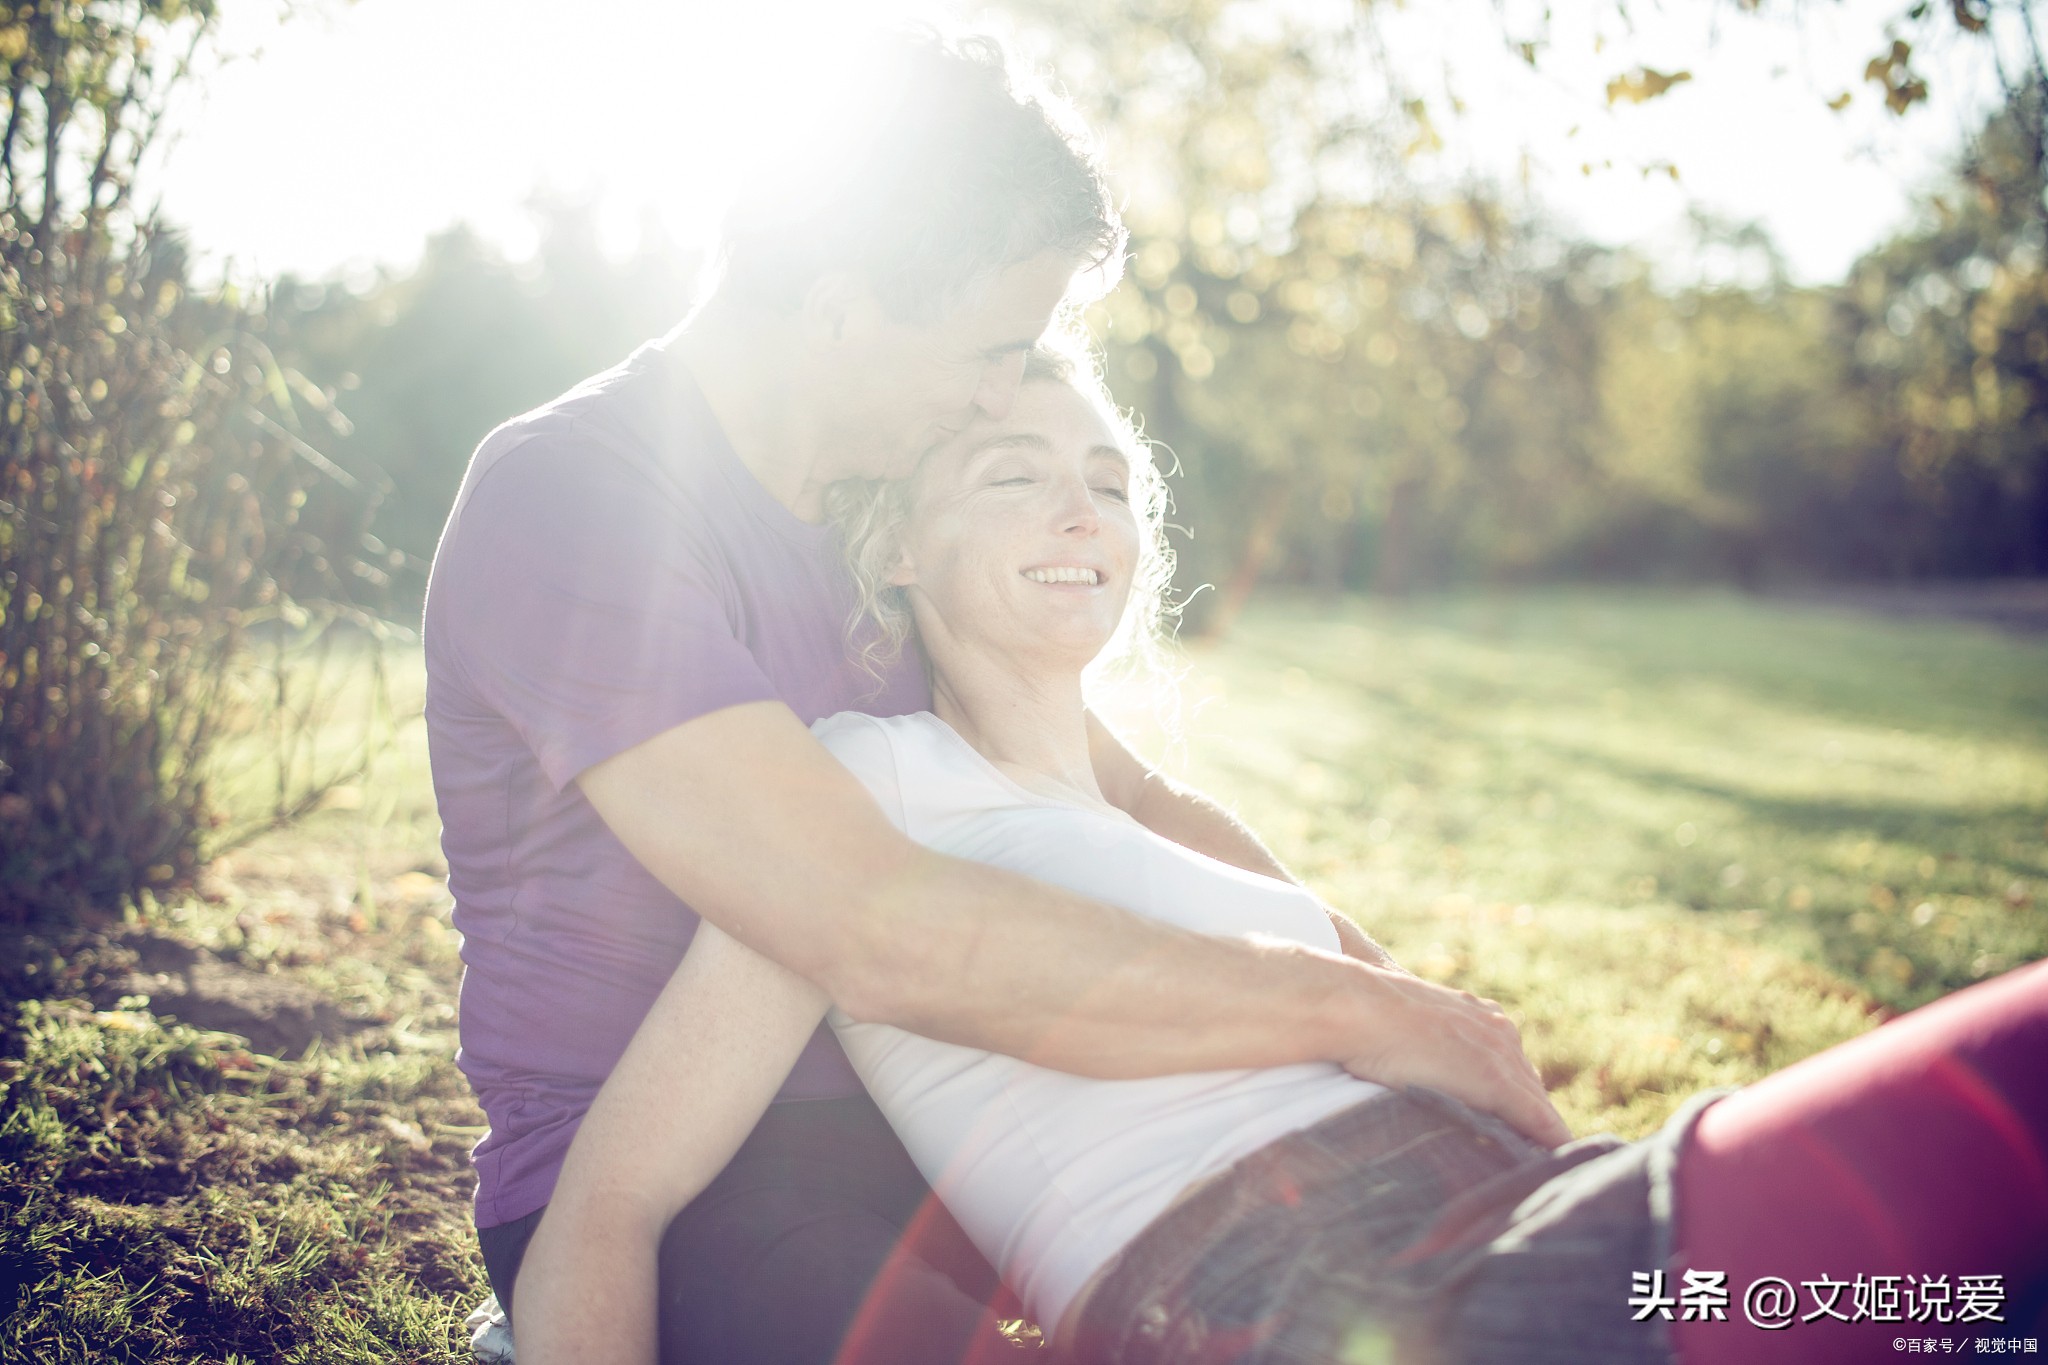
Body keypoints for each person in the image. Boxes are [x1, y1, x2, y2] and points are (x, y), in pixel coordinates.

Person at [519, 344, 2048, 1365]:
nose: (1080, 506)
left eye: (1111, 480)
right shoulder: (866, 788)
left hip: (1523, 1214)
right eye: (1011, 473)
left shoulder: (1144, 822)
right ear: (899, 549)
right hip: (1299, 1290)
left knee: (1983, 1308)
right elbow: (613, 1203)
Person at [424, 31, 1560, 1365]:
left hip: (974, 1141)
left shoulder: (881, 506)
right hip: (700, 1180)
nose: (1005, 387)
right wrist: (1354, 1009)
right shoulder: (580, 500)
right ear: (843, 308)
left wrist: (1409, 1000)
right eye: (994, 348)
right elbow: (871, 925)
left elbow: (1131, 791)